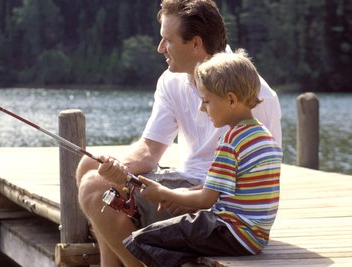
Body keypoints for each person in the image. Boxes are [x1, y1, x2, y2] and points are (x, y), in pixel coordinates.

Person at [76, 0, 282, 266]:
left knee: (94, 186)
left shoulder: (255, 95)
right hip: (189, 184)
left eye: (167, 40)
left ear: (196, 44)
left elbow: (260, 175)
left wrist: (184, 195)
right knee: (91, 165)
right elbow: (150, 148)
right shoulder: (171, 79)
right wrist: (119, 169)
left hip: (215, 202)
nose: (160, 48)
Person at [123, 50, 283, 267]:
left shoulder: (231, 140)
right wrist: (179, 193)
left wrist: (162, 193)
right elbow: (223, 189)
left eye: (206, 101)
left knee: (140, 239)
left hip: (228, 231)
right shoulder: (263, 136)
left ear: (231, 99)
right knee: (171, 233)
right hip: (256, 238)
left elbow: (205, 200)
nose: (202, 108)